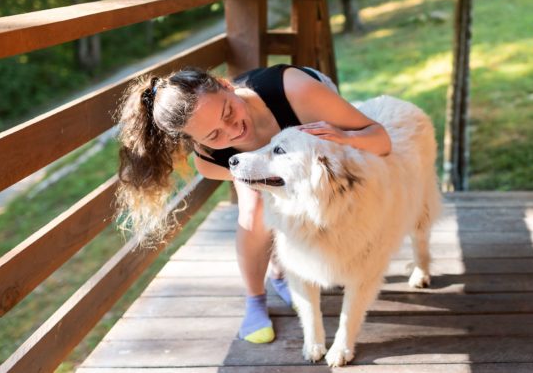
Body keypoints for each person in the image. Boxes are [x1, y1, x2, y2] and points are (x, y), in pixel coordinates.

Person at [115, 64, 391, 344]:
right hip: (258, 161)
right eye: (213, 135)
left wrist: (346, 137)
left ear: (226, 84)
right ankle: (256, 298)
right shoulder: (211, 161)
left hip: (302, 105)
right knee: (255, 211)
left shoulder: (299, 91)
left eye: (228, 112)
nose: (232, 130)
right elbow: (268, 192)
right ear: (197, 142)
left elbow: (381, 140)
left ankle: (283, 270)